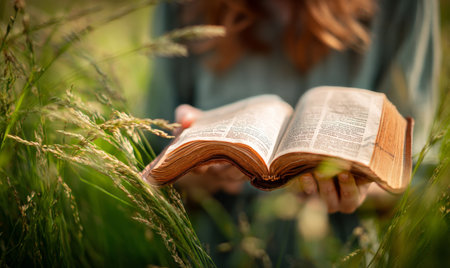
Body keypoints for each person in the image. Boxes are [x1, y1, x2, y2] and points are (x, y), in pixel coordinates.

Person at [147, 0, 439, 265]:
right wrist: (189, 170)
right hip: (216, 253)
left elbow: (415, 175)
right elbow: (148, 157)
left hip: (343, 254)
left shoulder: (405, 6)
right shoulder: (182, 7)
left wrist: (363, 183)